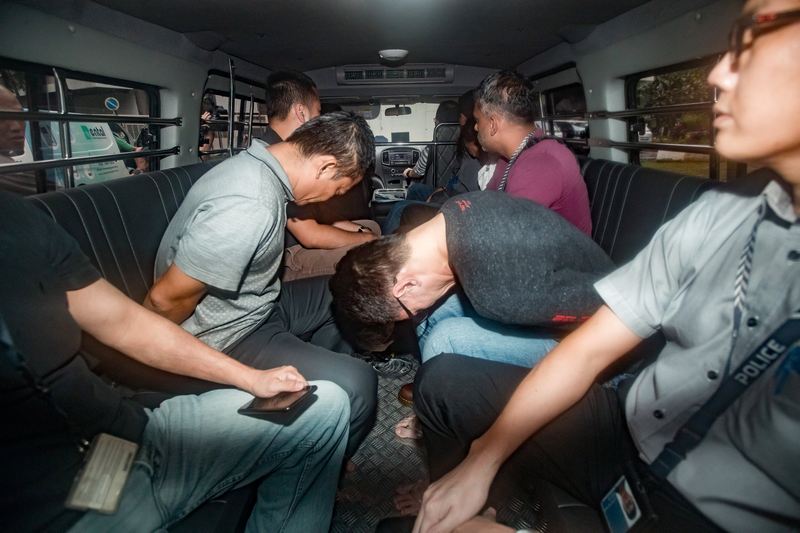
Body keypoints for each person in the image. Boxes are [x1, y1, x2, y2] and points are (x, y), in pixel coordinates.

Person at [413, 1, 800, 531]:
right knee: (445, 376)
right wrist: (483, 459)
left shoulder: (543, 160)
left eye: (755, 36)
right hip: (630, 426)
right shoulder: (718, 214)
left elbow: (515, 245)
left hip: (709, 508)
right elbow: (594, 345)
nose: (717, 73)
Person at [0, 191, 350, 532]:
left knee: (324, 406)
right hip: (61, 513)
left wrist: (251, 378)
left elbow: (125, 322)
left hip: (133, 434)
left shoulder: (16, 218)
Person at [144, 111, 378, 458]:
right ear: (326, 167)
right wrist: (143, 367)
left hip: (257, 306)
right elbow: (165, 300)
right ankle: (316, 463)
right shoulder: (249, 203)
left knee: (345, 290)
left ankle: (312, 387)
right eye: (338, 188)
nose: (331, 197)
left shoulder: (258, 166)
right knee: (359, 386)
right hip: (227, 333)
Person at [332, 191, 613, 367]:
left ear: (405, 285)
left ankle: (443, 402)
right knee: (436, 315)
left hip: (607, 346)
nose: (415, 313)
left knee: (444, 340)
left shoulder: (500, 297)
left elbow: (612, 309)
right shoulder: (455, 209)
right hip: (549, 287)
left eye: (410, 310)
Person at [257, 70, 380, 281]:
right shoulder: (278, 161)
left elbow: (317, 215)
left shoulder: (287, 151)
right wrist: (364, 240)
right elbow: (310, 235)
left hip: (301, 241)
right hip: (291, 255)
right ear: (301, 113)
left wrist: (362, 232)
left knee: (373, 229)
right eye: (318, 111)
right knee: (374, 258)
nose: (320, 121)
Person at [475, 70, 592, 235]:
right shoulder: (509, 158)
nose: (475, 127)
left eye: (477, 120)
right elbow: (486, 205)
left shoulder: (541, 163)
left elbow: (505, 237)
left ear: (493, 124)